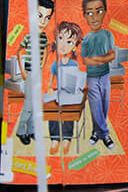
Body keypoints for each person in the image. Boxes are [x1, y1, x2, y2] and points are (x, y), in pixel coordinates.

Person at [14, 0, 55, 145]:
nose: (43, 21)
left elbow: (44, 51)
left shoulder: (43, 37)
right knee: (29, 104)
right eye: (39, 16)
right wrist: (23, 72)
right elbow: (19, 52)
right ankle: (21, 131)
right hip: (29, 72)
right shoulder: (29, 36)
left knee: (36, 102)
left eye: (47, 17)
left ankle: (31, 130)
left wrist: (42, 67)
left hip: (37, 72)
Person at [81, 0, 116, 149]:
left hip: (105, 75)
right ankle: (106, 134)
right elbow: (85, 60)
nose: (94, 17)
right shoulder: (87, 39)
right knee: (95, 104)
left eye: (99, 11)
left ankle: (96, 132)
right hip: (92, 77)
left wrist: (98, 59)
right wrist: (102, 58)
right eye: (89, 13)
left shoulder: (108, 34)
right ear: (85, 16)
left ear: (106, 12)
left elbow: (112, 55)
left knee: (104, 104)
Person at [47, 21, 84, 156]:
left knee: (69, 111)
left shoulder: (74, 64)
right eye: (61, 38)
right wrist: (50, 88)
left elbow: (78, 79)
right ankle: (55, 139)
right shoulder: (54, 64)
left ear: (74, 47)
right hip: (58, 92)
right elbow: (50, 82)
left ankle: (67, 138)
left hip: (70, 93)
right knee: (53, 111)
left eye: (69, 42)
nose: (63, 44)